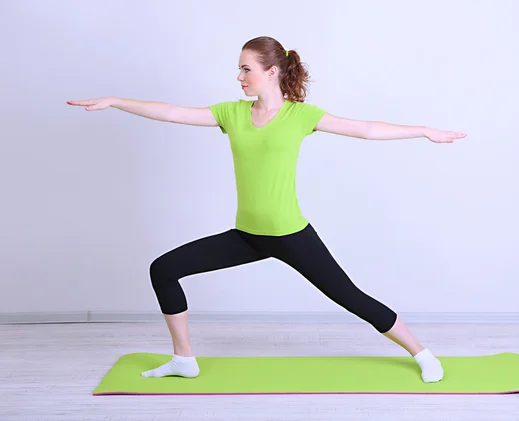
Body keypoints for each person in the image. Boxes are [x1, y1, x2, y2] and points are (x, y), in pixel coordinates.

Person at [67, 36, 466, 383]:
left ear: (272, 71)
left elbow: (366, 129)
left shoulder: (300, 116)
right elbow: (171, 112)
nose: (239, 77)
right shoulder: (232, 113)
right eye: (238, 70)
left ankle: (422, 354)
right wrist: (116, 101)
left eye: (246, 69)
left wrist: (423, 131)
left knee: (351, 297)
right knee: (164, 269)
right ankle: (183, 358)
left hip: (292, 235)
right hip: (247, 236)